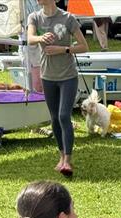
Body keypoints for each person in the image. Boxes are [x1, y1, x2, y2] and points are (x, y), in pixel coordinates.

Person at [27, 0, 89, 177]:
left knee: (64, 116)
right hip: (48, 77)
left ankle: (68, 161)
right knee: (54, 118)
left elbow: (84, 46)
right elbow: (30, 39)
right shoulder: (35, 17)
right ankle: (61, 156)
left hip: (68, 76)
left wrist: (63, 49)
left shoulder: (68, 18)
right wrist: (41, 38)